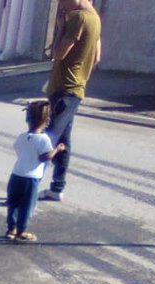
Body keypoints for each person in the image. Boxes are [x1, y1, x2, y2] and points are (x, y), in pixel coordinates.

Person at [40, 0, 101, 202]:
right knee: (63, 140)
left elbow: (58, 54)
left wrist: (60, 29)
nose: (61, 5)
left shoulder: (78, 18)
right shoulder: (95, 18)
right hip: (75, 88)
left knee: (47, 139)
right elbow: (97, 57)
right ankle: (56, 188)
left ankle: (27, 188)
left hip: (64, 89)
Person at [4, 101, 66, 242]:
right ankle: (22, 231)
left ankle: (11, 229)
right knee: (27, 205)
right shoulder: (44, 139)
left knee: (13, 204)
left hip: (16, 175)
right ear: (47, 121)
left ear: (27, 119)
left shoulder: (21, 137)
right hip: (31, 179)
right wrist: (57, 149)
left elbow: (18, 149)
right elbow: (45, 157)